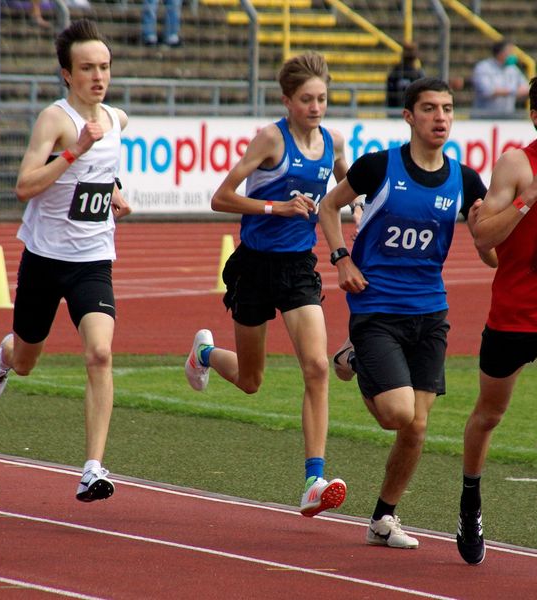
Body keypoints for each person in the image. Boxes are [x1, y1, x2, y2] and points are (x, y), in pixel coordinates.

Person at [319, 77, 497, 549]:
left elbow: (490, 252)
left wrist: (489, 236)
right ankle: (355, 357)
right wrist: (342, 259)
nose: (441, 117)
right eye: (430, 108)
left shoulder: (466, 179)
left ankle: (383, 519)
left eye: (448, 108)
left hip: (430, 312)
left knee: (416, 426)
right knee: (398, 414)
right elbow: (328, 206)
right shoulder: (379, 166)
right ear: (409, 116)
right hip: (376, 306)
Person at [184, 51, 348, 518]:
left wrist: (357, 208)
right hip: (254, 267)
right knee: (253, 380)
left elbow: (341, 188)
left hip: (298, 266)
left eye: (322, 98)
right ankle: (205, 355)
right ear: (287, 100)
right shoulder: (270, 141)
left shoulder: (333, 141)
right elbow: (221, 198)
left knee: (316, 366)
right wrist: (278, 206)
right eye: (306, 100)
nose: (316, 107)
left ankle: (314, 479)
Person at [0, 18, 131, 503]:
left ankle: (92, 468)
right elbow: (23, 185)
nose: (98, 76)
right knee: (27, 360)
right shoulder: (55, 119)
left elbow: (104, 173)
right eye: (87, 67)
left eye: (104, 66)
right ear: (66, 73)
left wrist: (117, 194)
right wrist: (74, 152)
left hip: (93, 260)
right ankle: (3, 355)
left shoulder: (118, 119)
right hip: (44, 260)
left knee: (100, 352)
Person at [456, 77, 537, 565]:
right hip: (515, 314)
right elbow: (483, 239)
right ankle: (470, 500)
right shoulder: (516, 163)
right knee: (489, 414)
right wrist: (528, 200)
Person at [471, 39, 529, 118]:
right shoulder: (483, 67)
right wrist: (512, 91)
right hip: (484, 118)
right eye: (510, 52)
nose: (513, 55)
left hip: (507, 117)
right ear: (501, 53)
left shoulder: (513, 69)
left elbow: (526, 87)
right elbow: (487, 91)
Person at [386, 42, 425, 110]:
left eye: (411, 51)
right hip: (397, 110)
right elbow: (391, 93)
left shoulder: (419, 74)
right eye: (408, 51)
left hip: (412, 110)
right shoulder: (396, 72)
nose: (409, 54)